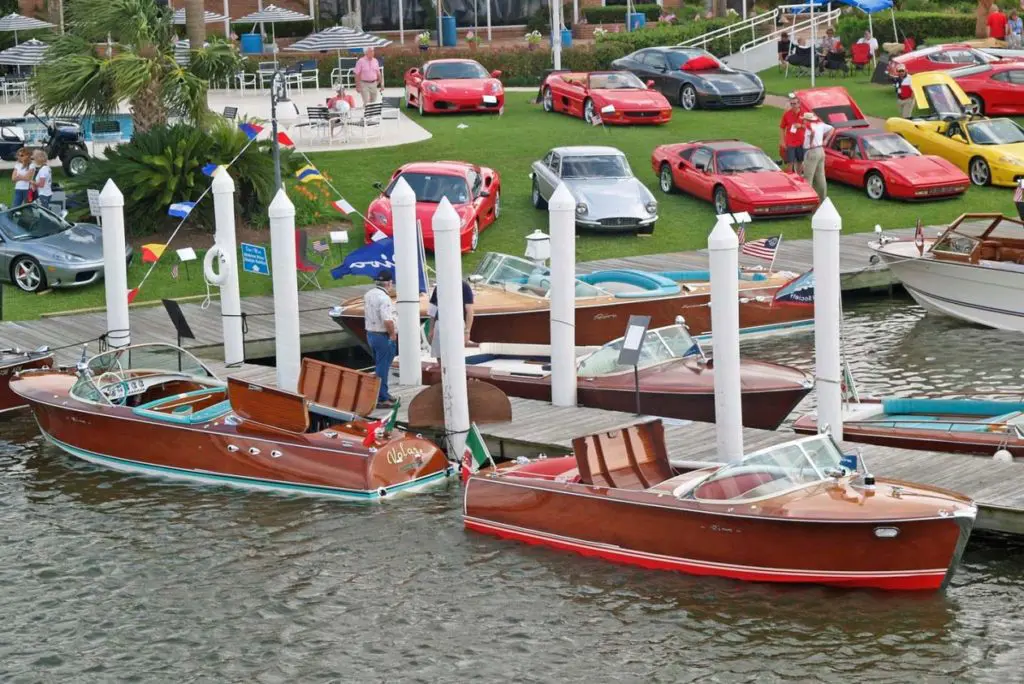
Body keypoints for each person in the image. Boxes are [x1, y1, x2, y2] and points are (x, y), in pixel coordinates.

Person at [363, 270, 398, 408]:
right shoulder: (384, 298)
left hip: (371, 334)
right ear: (389, 283)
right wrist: (392, 334)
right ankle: (381, 397)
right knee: (383, 367)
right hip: (383, 335)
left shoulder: (368, 294)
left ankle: (383, 393)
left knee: (379, 365)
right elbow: (387, 320)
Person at [428, 279, 475, 360]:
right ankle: (442, 370)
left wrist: (467, 331)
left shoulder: (464, 286)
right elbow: (433, 310)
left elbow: (470, 311)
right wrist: (431, 330)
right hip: (439, 324)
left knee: (455, 356)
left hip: (456, 324)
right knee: (439, 357)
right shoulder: (438, 287)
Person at [802, 112, 833, 201]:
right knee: (821, 176)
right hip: (821, 150)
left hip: (812, 151)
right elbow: (832, 129)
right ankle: (822, 198)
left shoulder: (809, 126)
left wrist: (811, 142)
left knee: (808, 177)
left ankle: (808, 200)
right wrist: (826, 140)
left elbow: (812, 133)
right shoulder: (820, 125)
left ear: (807, 120)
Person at [779, 94, 806, 174]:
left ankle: (799, 177)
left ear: (799, 104)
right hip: (790, 143)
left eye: (794, 104)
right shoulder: (787, 114)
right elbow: (782, 127)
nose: (793, 106)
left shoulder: (804, 114)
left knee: (800, 161)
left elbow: (808, 126)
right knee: (790, 162)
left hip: (801, 142)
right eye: (791, 104)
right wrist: (782, 141)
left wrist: (800, 125)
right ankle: (790, 179)